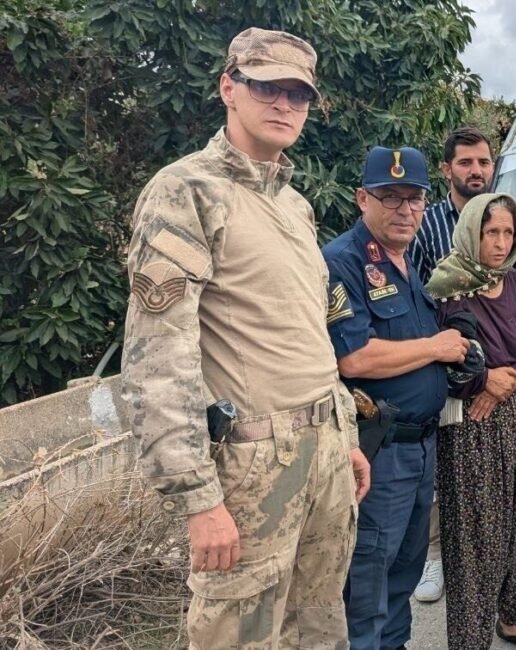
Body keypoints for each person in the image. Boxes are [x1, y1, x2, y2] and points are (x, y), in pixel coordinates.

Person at [121, 27, 370, 648]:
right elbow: (159, 355)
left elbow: (307, 333)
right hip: (253, 466)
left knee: (318, 629)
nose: (285, 104)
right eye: (267, 87)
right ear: (228, 88)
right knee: (241, 636)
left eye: (299, 93)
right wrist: (198, 497)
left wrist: (345, 437)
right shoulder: (186, 191)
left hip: (325, 454)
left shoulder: (295, 205)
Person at [324, 145, 470, 650]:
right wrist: (437, 346)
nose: (404, 209)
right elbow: (355, 358)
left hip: (422, 445)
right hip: (378, 450)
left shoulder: (409, 265)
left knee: (404, 569)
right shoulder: (343, 262)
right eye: (390, 197)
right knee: (369, 574)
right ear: (363, 198)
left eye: (414, 198)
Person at [407, 126, 516, 603]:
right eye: (466, 162)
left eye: (483, 162)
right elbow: (421, 303)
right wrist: (477, 375)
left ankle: (507, 591)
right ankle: (436, 560)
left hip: (510, 384)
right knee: (453, 490)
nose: (476, 170)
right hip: (450, 374)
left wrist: (511, 372)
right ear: (448, 169)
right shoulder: (426, 226)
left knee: (508, 502)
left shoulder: (510, 221)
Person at [426, 192, 516, 650]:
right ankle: (469, 637)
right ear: (471, 231)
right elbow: (439, 361)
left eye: (508, 233)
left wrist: (509, 377)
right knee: (476, 537)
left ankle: (514, 618)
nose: (500, 243)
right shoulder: (446, 286)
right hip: (473, 428)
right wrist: (481, 382)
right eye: (490, 232)